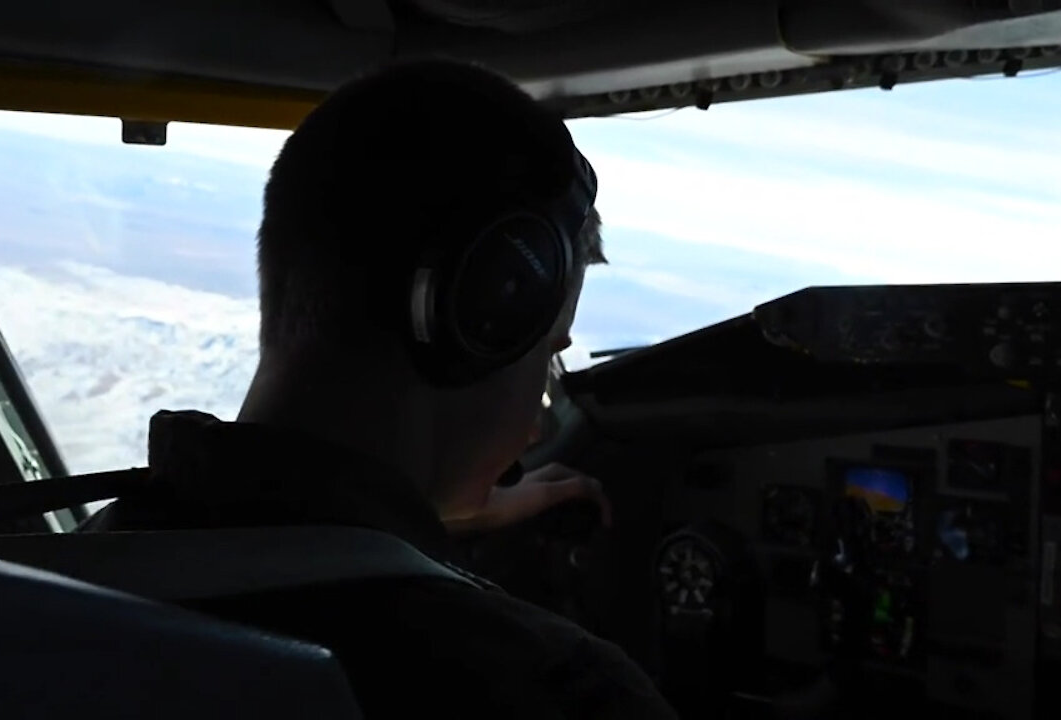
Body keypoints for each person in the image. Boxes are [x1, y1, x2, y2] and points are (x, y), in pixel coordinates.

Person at [80, 58, 678, 718]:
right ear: (481, 321)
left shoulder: (71, 565)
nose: (537, 425)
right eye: (548, 357)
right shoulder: (557, 693)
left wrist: (419, 523)